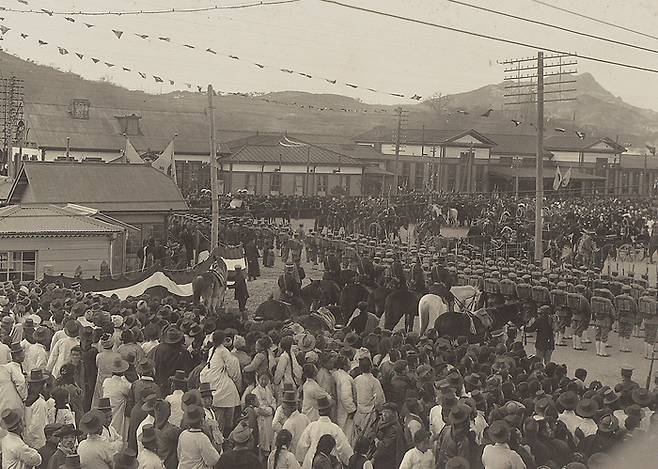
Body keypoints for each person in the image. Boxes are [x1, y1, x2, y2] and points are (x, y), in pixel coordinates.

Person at [200, 330, 240, 434]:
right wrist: (232, 376)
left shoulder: (212, 350)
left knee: (217, 420)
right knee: (227, 420)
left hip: (213, 382)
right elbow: (231, 368)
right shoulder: (223, 351)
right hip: (225, 387)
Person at [296, 396, 353, 469]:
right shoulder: (335, 428)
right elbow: (344, 449)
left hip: (311, 461)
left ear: (319, 412)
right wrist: (350, 462)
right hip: (328, 462)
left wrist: (301, 460)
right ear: (330, 411)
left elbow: (302, 446)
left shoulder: (312, 426)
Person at [102, 357, 131, 442]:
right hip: (118, 412)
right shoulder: (124, 385)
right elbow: (130, 389)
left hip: (107, 409)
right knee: (118, 431)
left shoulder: (106, 382)